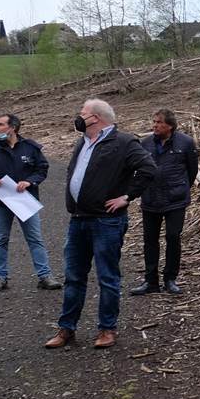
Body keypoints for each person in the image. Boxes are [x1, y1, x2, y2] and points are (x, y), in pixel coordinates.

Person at [45, 99, 156, 350]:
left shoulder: (124, 142)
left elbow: (149, 169)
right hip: (78, 219)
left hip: (107, 221)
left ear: (95, 118)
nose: (78, 117)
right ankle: (67, 328)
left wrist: (126, 197)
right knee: (73, 276)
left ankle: (107, 329)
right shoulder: (82, 142)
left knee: (107, 276)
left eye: (82, 113)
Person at [0, 113, 61, 291]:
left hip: (25, 200)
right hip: (0, 202)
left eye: (0, 125)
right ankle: (0, 277)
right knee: (1, 239)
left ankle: (45, 276)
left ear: (12, 128)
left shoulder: (30, 148)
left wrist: (30, 181)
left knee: (35, 238)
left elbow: (42, 169)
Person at [131, 108, 198, 296]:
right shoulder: (145, 144)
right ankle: (150, 281)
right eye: (154, 122)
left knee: (173, 237)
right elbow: (139, 169)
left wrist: (181, 187)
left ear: (169, 125)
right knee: (149, 240)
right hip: (151, 199)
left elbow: (192, 171)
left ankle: (170, 279)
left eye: (159, 122)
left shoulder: (185, 143)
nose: (155, 125)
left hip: (175, 200)